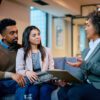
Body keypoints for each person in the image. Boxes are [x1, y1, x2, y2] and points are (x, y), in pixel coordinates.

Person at [58, 10, 100, 100]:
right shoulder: (86, 50)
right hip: (85, 84)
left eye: (88, 25)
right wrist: (68, 80)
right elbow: (82, 72)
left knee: (73, 93)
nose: (85, 28)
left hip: (97, 86)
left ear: (97, 27)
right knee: (61, 91)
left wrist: (84, 64)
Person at [16, 26, 57, 100]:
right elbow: (19, 69)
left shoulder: (47, 50)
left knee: (44, 90)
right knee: (33, 90)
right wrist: (27, 72)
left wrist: (51, 77)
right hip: (32, 82)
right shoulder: (21, 51)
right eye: (34, 35)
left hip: (46, 81)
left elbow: (51, 68)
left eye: (38, 34)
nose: (38, 37)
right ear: (27, 38)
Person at [0, 18, 25, 97]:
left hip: (18, 81)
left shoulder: (21, 48)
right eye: (12, 33)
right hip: (3, 83)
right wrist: (11, 75)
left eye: (17, 32)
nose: (16, 35)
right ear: (3, 36)